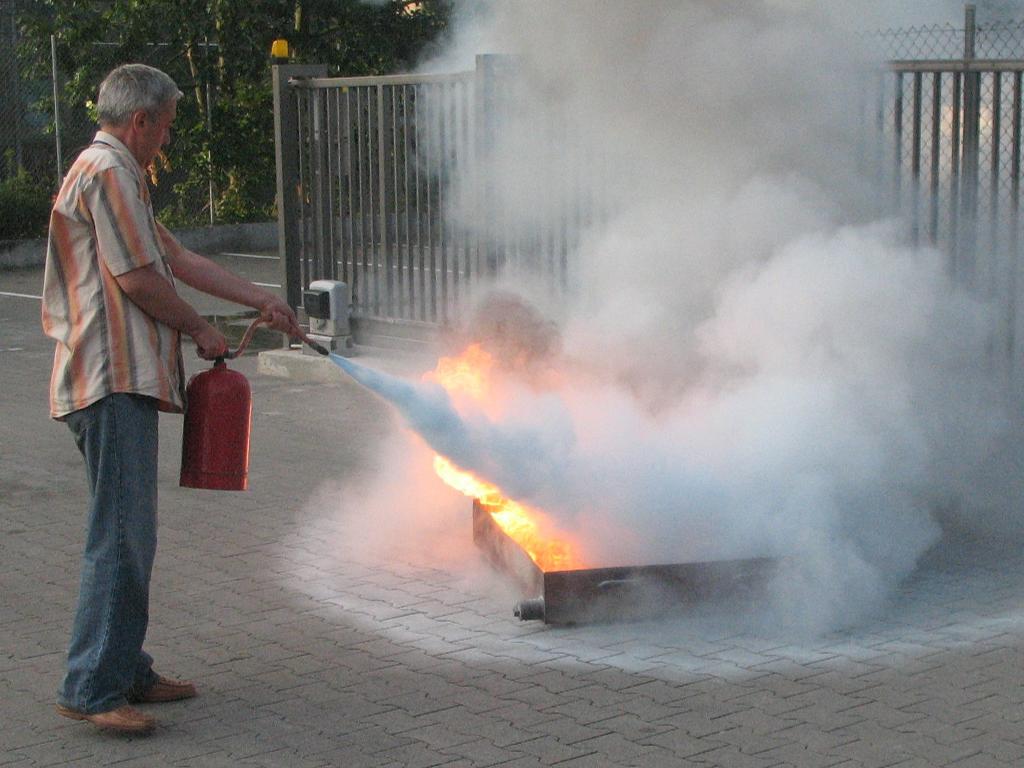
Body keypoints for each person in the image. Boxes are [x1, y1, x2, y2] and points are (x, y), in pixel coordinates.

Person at [41, 63, 303, 735]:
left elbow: (177, 261)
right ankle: (94, 687)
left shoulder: (120, 176)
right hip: (109, 379)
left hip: (123, 379)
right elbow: (135, 278)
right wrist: (198, 326)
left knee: (133, 536)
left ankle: (126, 668)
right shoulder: (109, 173)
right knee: (121, 537)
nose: (167, 140)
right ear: (140, 122)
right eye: (166, 127)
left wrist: (260, 300)